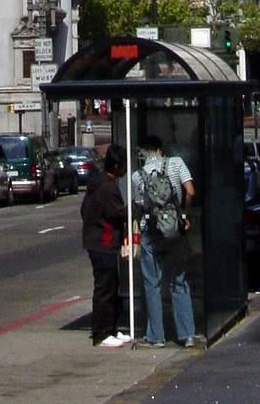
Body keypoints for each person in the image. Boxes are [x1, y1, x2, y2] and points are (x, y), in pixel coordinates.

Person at [132, 134, 196, 347]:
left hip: (151, 233)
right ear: (160, 150)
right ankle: (187, 335)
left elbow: (140, 206)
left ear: (145, 153)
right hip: (174, 232)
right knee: (178, 281)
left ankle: (156, 337)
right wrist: (184, 216)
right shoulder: (176, 164)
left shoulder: (137, 176)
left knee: (152, 284)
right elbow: (190, 192)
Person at [80, 144, 129, 347]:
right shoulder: (107, 188)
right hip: (103, 243)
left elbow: (84, 210)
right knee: (105, 289)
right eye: (124, 166)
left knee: (112, 285)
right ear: (116, 166)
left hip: (100, 242)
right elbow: (116, 213)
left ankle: (111, 328)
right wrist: (134, 209)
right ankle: (101, 332)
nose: (125, 170)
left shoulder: (98, 184)